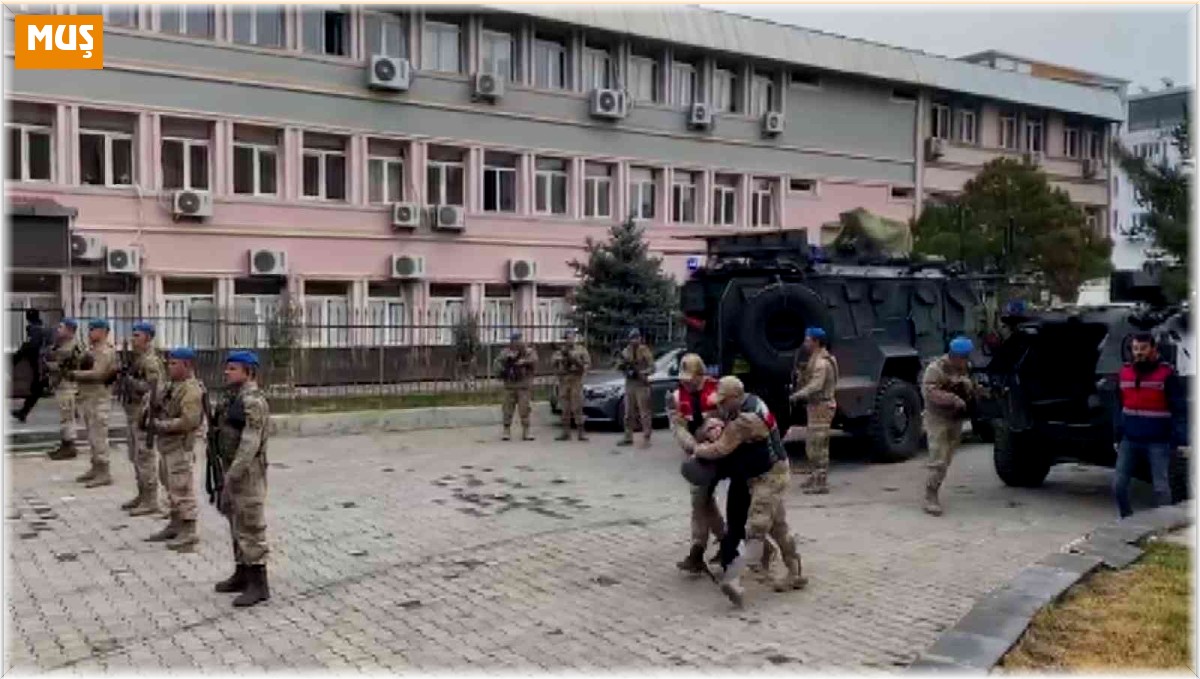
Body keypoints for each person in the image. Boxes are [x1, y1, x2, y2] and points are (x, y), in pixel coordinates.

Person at [693, 377, 806, 607]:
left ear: (735, 398)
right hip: (768, 473)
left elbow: (720, 448)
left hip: (769, 476)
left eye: (723, 402)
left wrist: (697, 450)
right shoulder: (753, 402)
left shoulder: (745, 419)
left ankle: (734, 579)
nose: (720, 407)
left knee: (756, 528)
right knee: (778, 527)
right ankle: (795, 572)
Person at [211, 350, 271, 607]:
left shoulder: (253, 401)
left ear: (249, 372)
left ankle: (259, 583)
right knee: (235, 521)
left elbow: (249, 444)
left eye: (233, 368)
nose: (227, 372)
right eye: (228, 367)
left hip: (246, 473)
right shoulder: (233, 398)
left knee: (250, 524)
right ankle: (242, 572)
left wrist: (232, 475)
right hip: (231, 468)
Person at [1113, 332, 1188, 519]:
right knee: (1118, 485)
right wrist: (1117, 435)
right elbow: (1120, 407)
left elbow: (1179, 409)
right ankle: (1127, 520)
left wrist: (1181, 439)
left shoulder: (1166, 375)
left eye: (1143, 348)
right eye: (1135, 348)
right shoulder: (1124, 373)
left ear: (1154, 349)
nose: (1139, 353)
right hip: (1129, 439)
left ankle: (1163, 525)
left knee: (1161, 488)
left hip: (1158, 441)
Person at [668, 354, 724, 573]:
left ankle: (732, 544)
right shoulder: (676, 396)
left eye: (689, 378)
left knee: (707, 501)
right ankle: (700, 549)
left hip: (721, 450)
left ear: (701, 374)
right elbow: (678, 429)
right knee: (701, 500)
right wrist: (694, 449)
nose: (685, 382)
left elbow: (728, 421)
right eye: (683, 378)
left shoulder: (717, 391)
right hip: (697, 454)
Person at [146, 347, 205, 552]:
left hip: (180, 445)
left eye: (174, 364)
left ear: (187, 365)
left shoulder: (191, 389)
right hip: (167, 446)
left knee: (181, 488)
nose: (169, 367)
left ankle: (189, 530)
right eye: (169, 363)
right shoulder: (173, 386)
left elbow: (189, 421)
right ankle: (175, 523)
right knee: (169, 485)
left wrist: (162, 426)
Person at [919, 336, 983, 516]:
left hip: (955, 419)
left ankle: (935, 484)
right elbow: (930, 393)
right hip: (937, 418)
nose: (966, 361)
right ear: (954, 356)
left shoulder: (965, 369)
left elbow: (971, 387)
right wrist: (952, 399)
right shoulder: (936, 369)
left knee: (946, 458)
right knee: (938, 457)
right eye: (963, 357)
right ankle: (930, 496)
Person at [120, 322, 166, 516]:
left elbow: (154, 389)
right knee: (135, 456)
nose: (133, 339)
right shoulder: (138, 359)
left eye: (138, 335)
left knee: (145, 457)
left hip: (143, 414)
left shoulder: (151, 362)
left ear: (148, 338)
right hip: (132, 412)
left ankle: (151, 499)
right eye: (133, 335)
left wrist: (131, 382)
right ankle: (142, 494)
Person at [68, 319, 118, 488]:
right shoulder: (92, 350)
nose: (90, 332)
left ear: (103, 331)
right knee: (92, 436)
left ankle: (104, 472)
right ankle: (95, 468)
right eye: (89, 329)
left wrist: (75, 374)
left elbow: (99, 374)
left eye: (93, 330)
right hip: (88, 398)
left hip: (99, 399)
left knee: (99, 437)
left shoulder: (106, 351)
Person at [790, 327, 839, 494]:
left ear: (816, 342)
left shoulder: (822, 362)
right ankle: (815, 475)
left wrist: (797, 395)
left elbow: (816, 386)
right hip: (816, 406)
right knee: (812, 444)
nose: (805, 343)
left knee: (818, 445)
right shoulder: (816, 359)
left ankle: (821, 481)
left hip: (822, 407)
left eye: (808, 340)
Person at [45, 319, 85, 460]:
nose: (58, 330)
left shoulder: (70, 347)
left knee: (67, 417)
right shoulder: (64, 345)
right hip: (63, 385)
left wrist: (49, 363)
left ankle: (69, 446)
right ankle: (65, 444)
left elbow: (58, 365)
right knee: (65, 417)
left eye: (61, 327)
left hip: (68, 386)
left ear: (69, 330)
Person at [495, 332, 538, 441]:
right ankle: (506, 430)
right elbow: (497, 363)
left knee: (525, 409)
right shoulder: (506, 352)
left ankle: (526, 431)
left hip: (523, 386)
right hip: (510, 385)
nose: (515, 342)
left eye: (517, 339)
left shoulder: (528, 352)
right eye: (513, 340)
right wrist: (505, 364)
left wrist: (524, 362)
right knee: (507, 409)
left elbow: (534, 360)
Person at [11, 309, 52, 423]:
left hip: (40, 365)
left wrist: (17, 357)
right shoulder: (45, 328)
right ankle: (23, 412)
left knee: (39, 388)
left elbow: (31, 346)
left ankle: (23, 412)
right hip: (45, 364)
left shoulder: (35, 329)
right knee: (37, 390)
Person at [616, 329, 655, 448]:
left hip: (641, 384)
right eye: (632, 338)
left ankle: (646, 438)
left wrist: (642, 372)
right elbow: (618, 365)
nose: (634, 340)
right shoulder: (625, 351)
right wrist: (625, 369)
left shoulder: (644, 350)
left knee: (644, 413)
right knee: (628, 412)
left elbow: (652, 367)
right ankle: (628, 437)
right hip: (630, 384)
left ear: (640, 338)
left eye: (636, 338)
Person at [551, 330, 591, 441]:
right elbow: (553, 363)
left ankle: (581, 432)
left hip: (576, 380)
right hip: (564, 380)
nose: (570, 339)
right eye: (568, 337)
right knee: (565, 408)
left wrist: (580, 365)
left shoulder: (581, 350)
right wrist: (562, 360)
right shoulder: (560, 351)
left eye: (572, 337)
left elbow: (587, 364)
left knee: (577, 406)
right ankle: (565, 433)